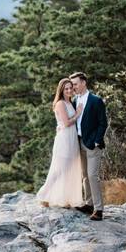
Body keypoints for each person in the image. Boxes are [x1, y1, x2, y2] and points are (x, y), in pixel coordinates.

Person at [36, 78, 87, 208]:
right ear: (61, 90)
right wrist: (77, 114)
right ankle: (44, 195)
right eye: (66, 88)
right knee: (59, 169)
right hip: (64, 140)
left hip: (72, 138)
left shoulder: (70, 102)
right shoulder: (60, 103)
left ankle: (66, 199)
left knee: (69, 169)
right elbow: (66, 123)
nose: (69, 90)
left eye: (71, 88)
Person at [70, 71, 108, 220]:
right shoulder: (74, 101)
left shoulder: (96, 100)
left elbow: (102, 123)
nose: (73, 87)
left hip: (92, 144)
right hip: (79, 142)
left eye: (75, 84)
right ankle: (89, 203)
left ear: (84, 83)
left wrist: (97, 141)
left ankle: (99, 210)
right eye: (72, 85)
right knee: (84, 175)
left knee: (92, 175)